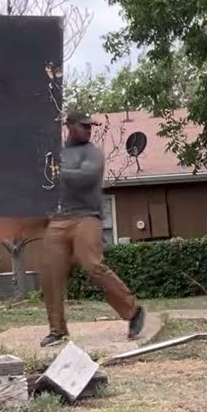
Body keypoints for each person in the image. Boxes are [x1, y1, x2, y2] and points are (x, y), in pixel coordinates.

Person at [40, 110, 145, 347]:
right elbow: (42, 182)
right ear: (69, 126)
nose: (88, 130)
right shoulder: (56, 153)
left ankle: (133, 310)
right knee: (51, 274)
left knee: (92, 265)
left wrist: (56, 171)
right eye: (83, 126)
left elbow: (84, 178)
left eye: (90, 127)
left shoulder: (93, 154)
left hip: (87, 218)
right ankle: (57, 330)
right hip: (58, 219)